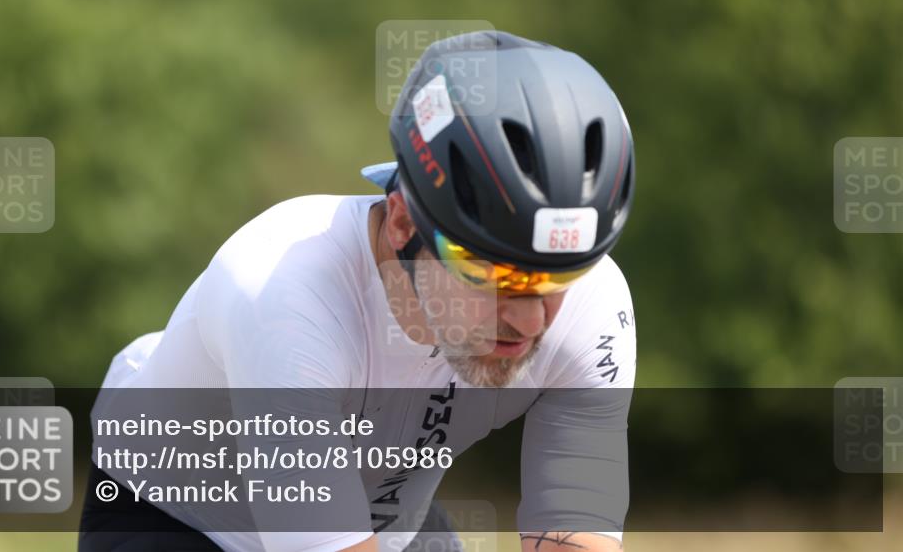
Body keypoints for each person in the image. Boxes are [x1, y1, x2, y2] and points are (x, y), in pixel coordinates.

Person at [79, 30, 637, 552]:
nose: (531, 321)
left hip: (382, 517)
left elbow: (573, 537)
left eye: (560, 278)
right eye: (496, 277)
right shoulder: (284, 290)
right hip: (177, 514)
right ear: (403, 222)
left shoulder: (596, 302)